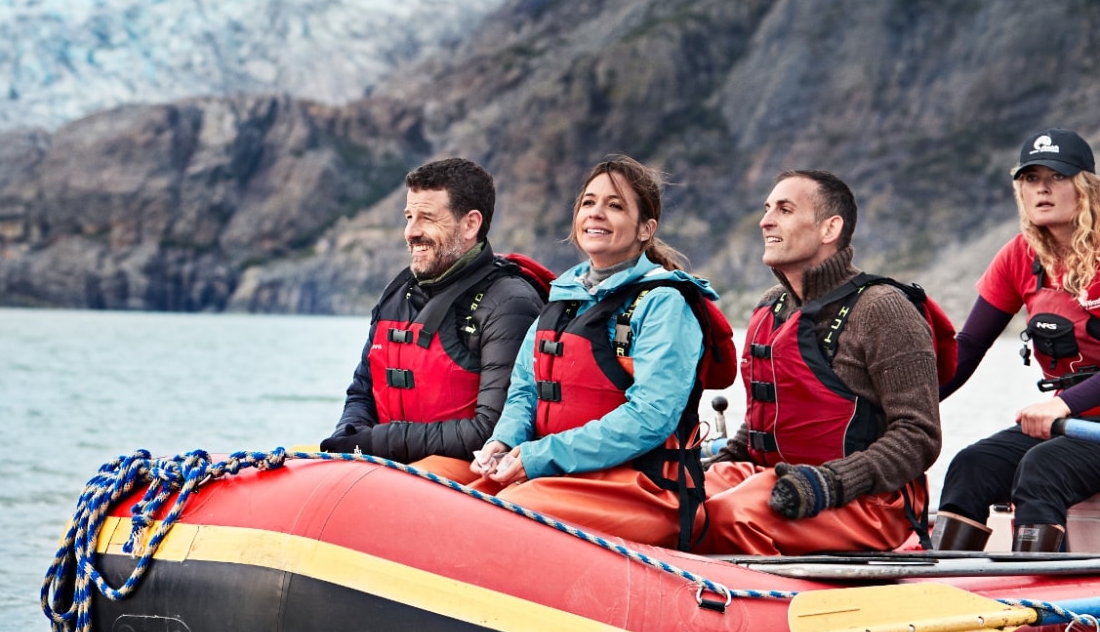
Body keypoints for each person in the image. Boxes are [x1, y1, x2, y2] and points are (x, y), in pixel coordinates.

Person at [472, 156, 729, 548]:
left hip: (645, 488)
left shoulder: (664, 304)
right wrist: (503, 443)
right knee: (460, 497)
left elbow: (651, 417)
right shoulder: (563, 297)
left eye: (615, 205)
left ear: (647, 229)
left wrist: (541, 455)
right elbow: (526, 389)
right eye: (589, 203)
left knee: (502, 514)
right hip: (564, 478)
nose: (597, 214)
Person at [698, 170, 942, 554]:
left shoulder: (883, 310)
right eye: (766, 209)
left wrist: (827, 483)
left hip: (866, 501)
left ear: (830, 229)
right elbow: (763, 425)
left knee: (727, 515)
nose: (765, 220)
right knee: (673, 499)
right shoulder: (769, 307)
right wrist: (707, 469)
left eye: (785, 209)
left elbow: (918, 436)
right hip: (772, 482)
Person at [931, 129, 1100, 553]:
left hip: (1074, 423)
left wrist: (1063, 404)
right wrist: (909, 404)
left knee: (1042, 468)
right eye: (1030, 178)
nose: (1042, 188)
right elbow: (968, 346)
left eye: (1057, 177)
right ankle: (945, 589)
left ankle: (1043, 601)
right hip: (1065, 427)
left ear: (1085, 186)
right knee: (972, 465)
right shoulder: (1019, 256)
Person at [321, 157, 546, 470]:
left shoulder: (510, 305)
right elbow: (362, 391)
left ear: (470, 224)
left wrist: (375, 443)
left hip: (465, 480)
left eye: (426, 218)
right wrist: (348, 437)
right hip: (384, 472)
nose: (410, 232)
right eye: (409, 216)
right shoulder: (396, 295)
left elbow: (492, 432)